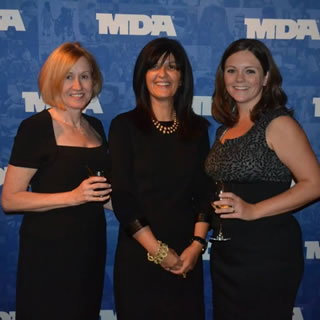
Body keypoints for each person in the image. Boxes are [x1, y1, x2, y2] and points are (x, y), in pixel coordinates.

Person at [205, 38, 320, 320]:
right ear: (223, 77)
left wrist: (253, 210)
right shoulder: (224, 130)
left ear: (266, 77)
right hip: (228, 253)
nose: (239, 79)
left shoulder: (278, 123)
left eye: (250, 71)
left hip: (266, 254)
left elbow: (314, 183)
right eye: (231, 71)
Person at [1, 42, 112, 320]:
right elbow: (10, 199)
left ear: (94, 81)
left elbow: (103, 195)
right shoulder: (36, 128)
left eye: (85, 76)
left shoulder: (96, 127)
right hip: (48, 255)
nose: (78, 85)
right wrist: (73, 196)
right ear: (54, 81)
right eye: (68, 76)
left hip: (89, 251)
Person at [108, 37, 210, 320]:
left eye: (172, 67)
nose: (163, 74)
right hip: (139, 254)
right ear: (143, 75)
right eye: (154, 66)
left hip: (187, 256)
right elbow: (123, 196)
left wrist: (196, 246)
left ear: (182, 78)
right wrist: (158, 251)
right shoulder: (124, 127)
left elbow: (205, 192)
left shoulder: (198, 129)